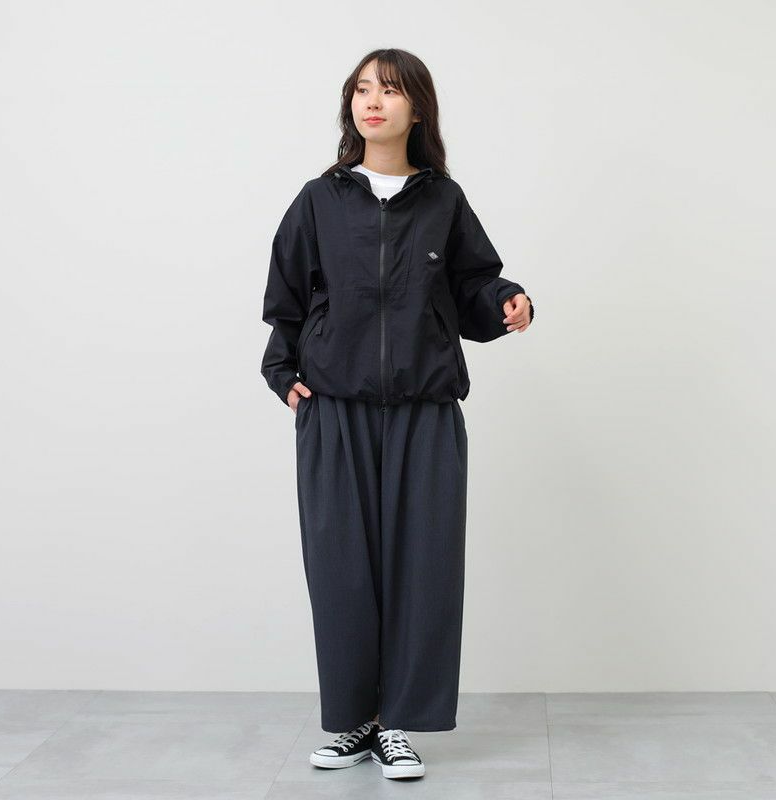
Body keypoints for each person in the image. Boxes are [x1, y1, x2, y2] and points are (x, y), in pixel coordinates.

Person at [261, 48, 534, 781]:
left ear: (417, 108)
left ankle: (399, 726)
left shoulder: (443, 200)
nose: (372, 101)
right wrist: (283, 375)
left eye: (388, 90)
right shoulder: (320, 200)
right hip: (335, 410)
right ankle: (357, 721)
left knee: (424, 569)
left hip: (425, 410)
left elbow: (474, 284)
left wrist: (507, 301)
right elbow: (286, 299)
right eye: (361, 90)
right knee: (342, 572)